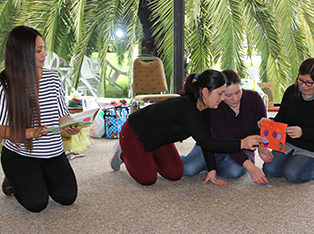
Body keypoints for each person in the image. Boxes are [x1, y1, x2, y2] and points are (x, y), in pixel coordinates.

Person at [110, 69, 262, 186]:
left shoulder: (207, 107)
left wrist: (212, 170)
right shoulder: (187, 110)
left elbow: (206, 138)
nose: (223, 98)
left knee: (175, 174)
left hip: (161, 139)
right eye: (220, 94)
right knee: (148, 178)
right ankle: (124, 152)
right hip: (135, 132)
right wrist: (242, 143)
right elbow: (207, 142)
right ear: (205, 92)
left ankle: (144, 154)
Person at [0, 26, 81, 212]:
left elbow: (62, 116)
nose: (45, 54)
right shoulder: (2, 85)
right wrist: (31, 132)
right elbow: (0, 130)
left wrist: (70, 125)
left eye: (43, 48)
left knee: (67, 197)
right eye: (38, 50)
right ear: (21, 53)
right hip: (20, 154)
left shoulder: (53, 79)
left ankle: (36, 177)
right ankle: (13, 177)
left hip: (53, 152)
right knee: (36, 204)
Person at [181, 70, 273, 185]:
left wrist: (261, 147)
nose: (235, 98)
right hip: (214, 146)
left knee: (234, 172)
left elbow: (260, 131)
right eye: (228, 95)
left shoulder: (254, 99)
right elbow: (225, 139)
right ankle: (211, 164)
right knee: (189, 169)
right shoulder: (216, 105)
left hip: (242, 147)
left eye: (238, 92)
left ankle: (211, 165)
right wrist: (251, 168)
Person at [258, 58, 314, 184]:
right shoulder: (292, 91)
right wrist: (269, 123)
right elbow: (281, 119)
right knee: (270, 171)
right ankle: (294, 161)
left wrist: (303, 132)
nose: (303, 86)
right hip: (290, 143)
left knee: (293, 175)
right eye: (300, 80)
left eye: (309, 83)